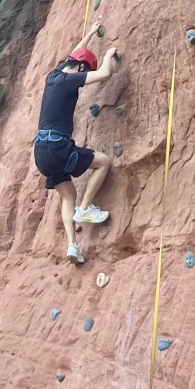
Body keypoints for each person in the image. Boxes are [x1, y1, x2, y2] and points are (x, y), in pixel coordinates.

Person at [33, 25, 120, 264]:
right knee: (103, 162)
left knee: (67, 195)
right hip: (57, 147)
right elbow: (103, 74)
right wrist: (107, 56)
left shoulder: (53, 76)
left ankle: (73, 246)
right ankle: (86, 207)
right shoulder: (69, 80)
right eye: (84, 72)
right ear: (80, 69)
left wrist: (90, 34)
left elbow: (74, 55)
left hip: (40, 152)